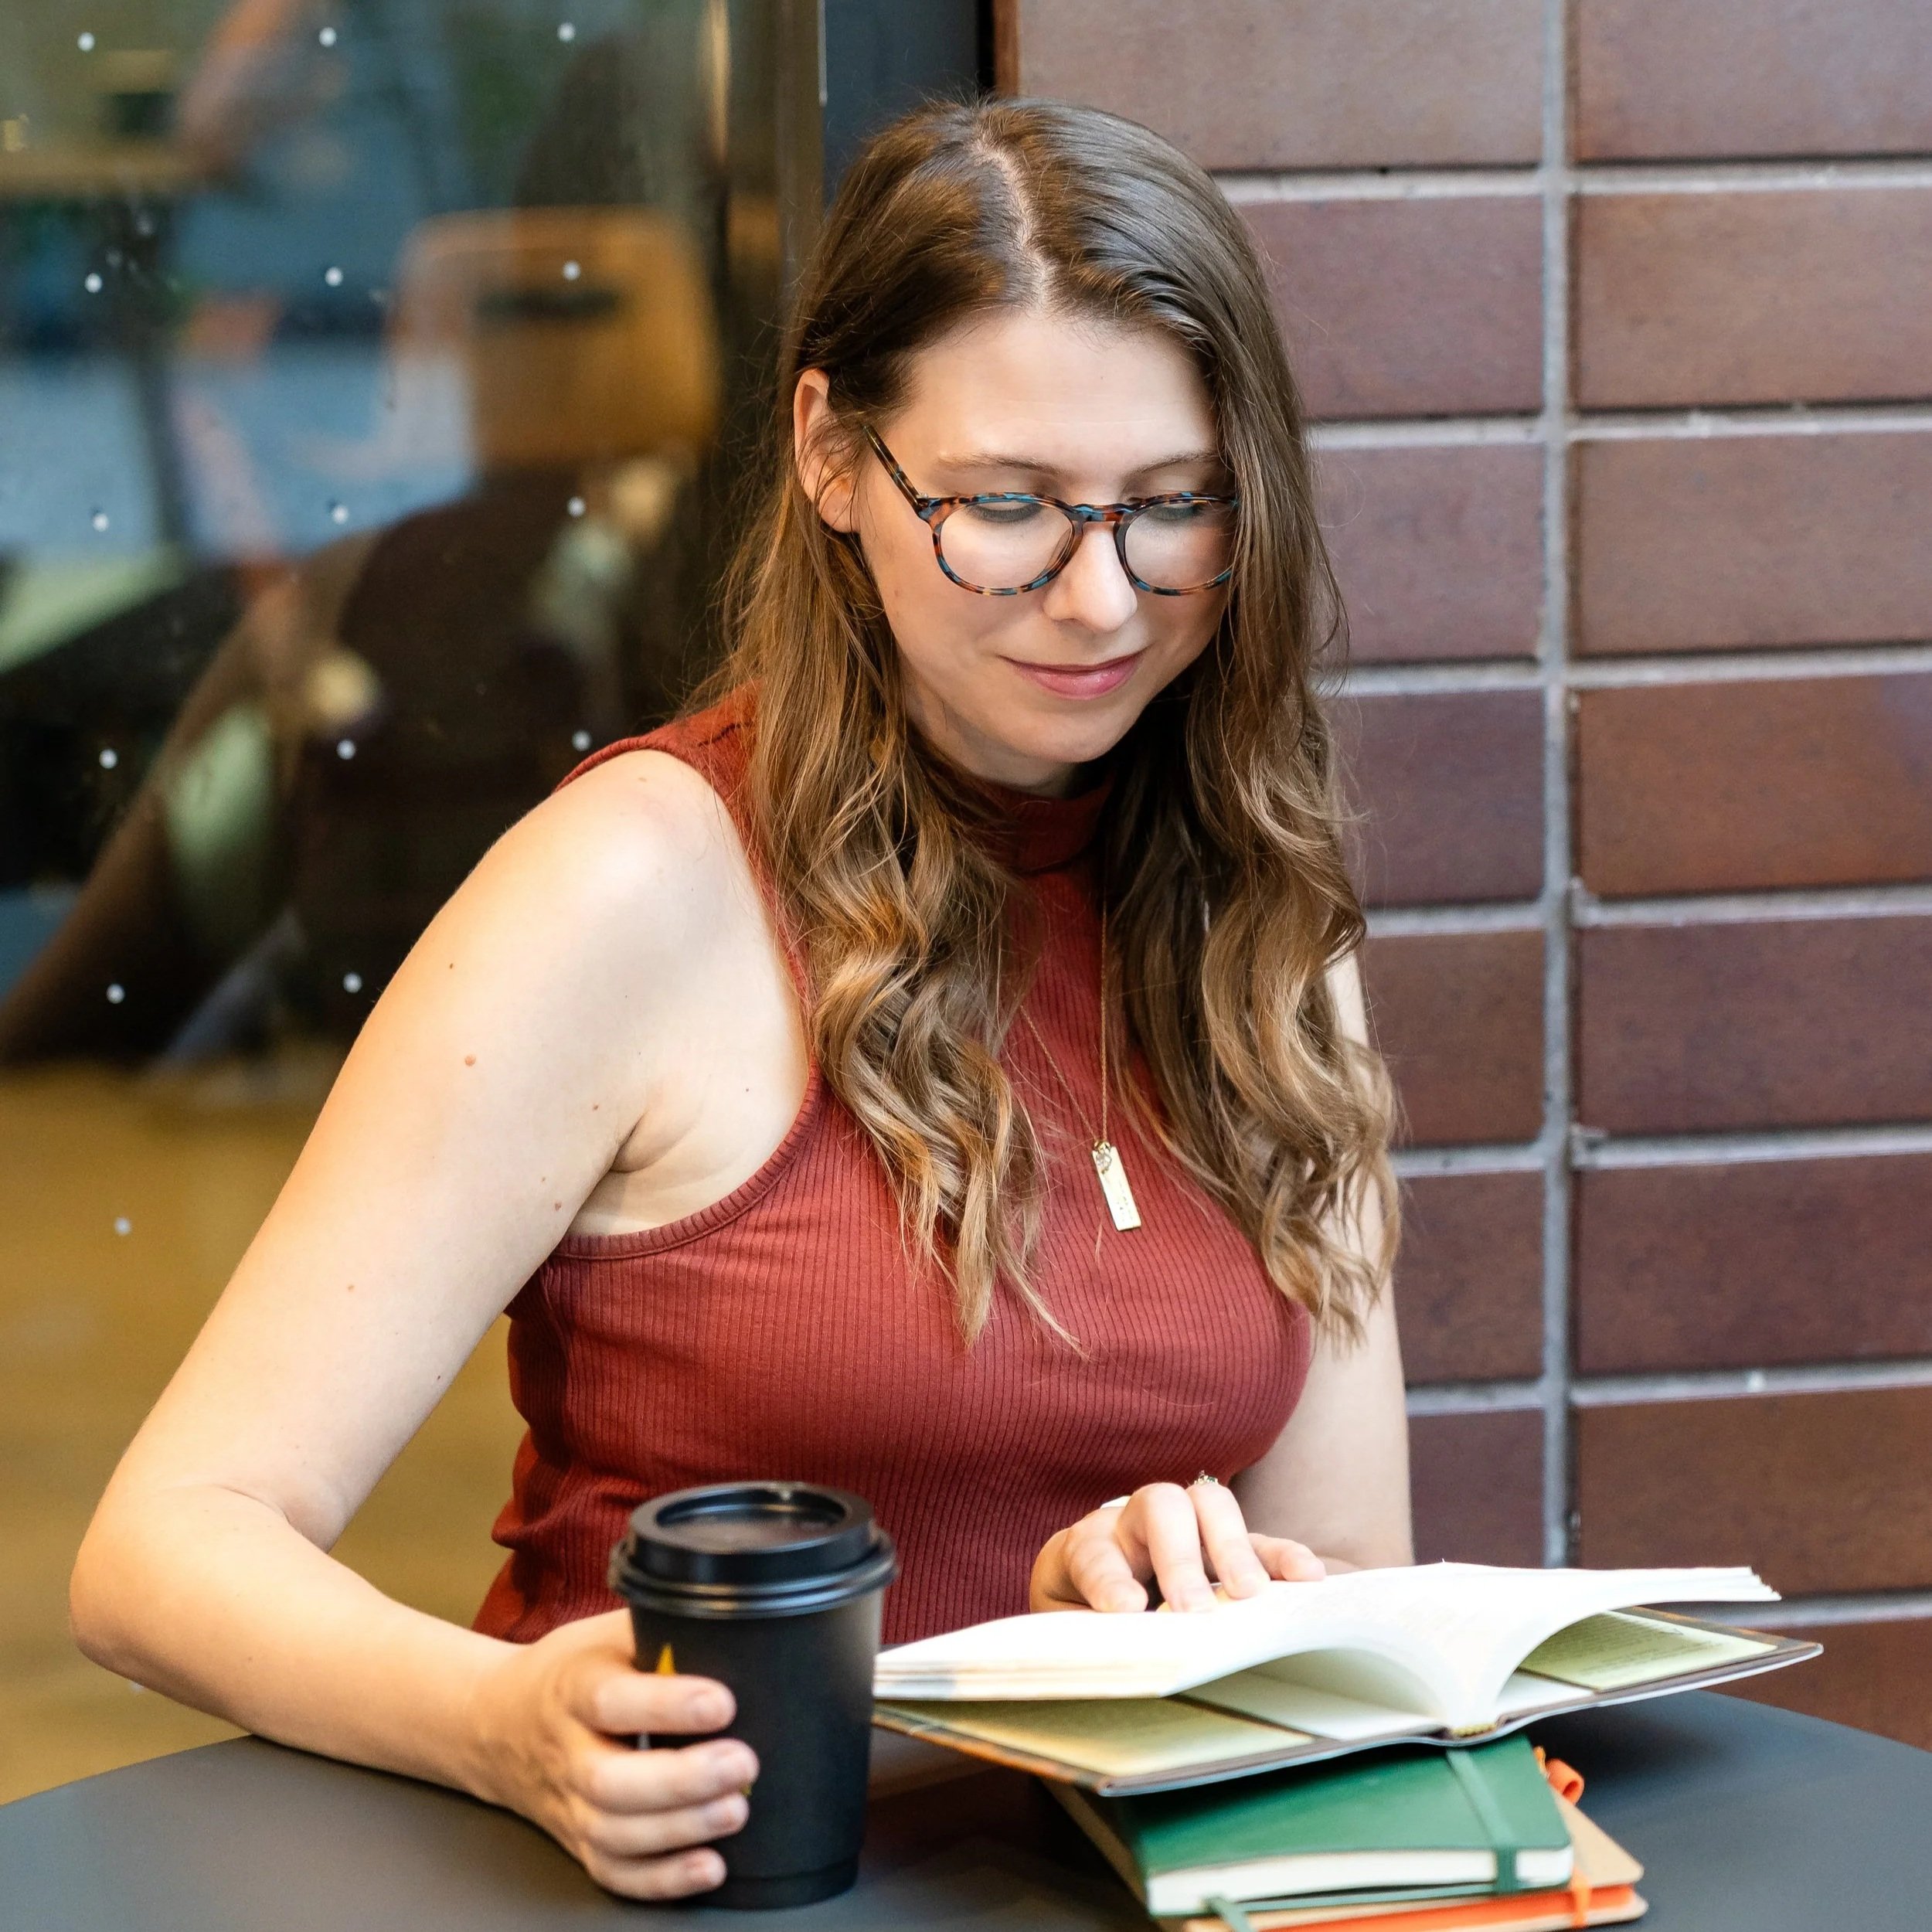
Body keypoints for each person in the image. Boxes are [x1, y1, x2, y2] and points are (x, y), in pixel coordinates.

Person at [70, 100, 1411, 1902]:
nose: (1099, 599)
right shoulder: (631, 886)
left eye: (1174, 508)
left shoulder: (1258, 908)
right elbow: (163, 1546)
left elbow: (1359, 1592)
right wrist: (498, 1719)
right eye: (1003, 508)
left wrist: (1197, 1594)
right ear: (830, 453)